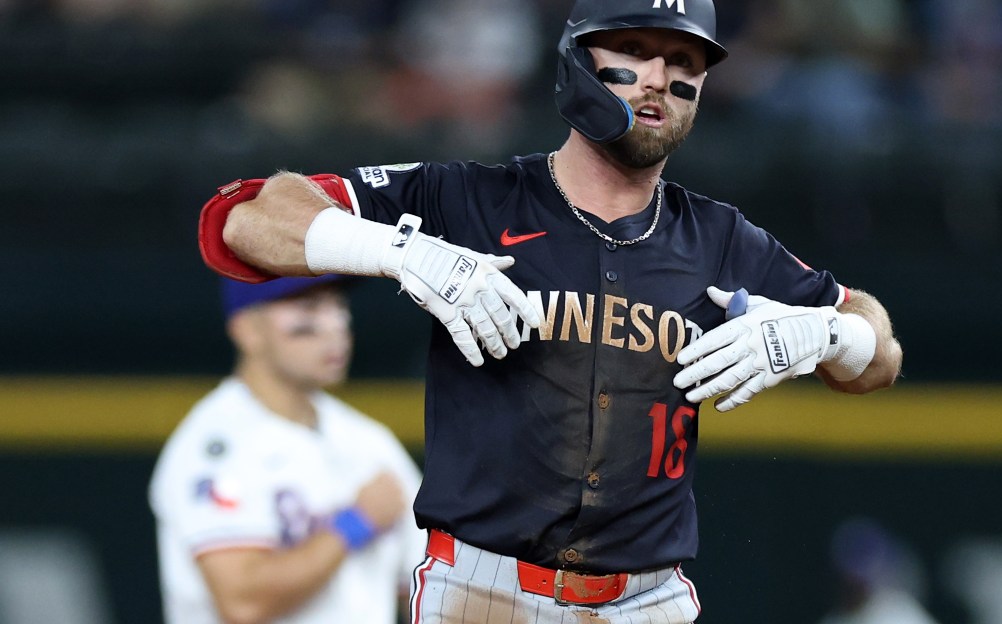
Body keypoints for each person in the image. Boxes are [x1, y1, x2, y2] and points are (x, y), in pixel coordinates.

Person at [196, 0, 903, 621]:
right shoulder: (470, 200)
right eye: (633, 49)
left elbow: (879, 354)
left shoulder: (722, 239)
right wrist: (402, 252)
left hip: (647, 602)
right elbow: (247, 219)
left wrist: (828, 334)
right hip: (482, 593)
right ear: (577, 59)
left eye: (684, 61)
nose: (659, 77)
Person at [148, 275, 426, 624]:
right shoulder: (213, 446)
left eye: (338, 306)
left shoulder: (370, 441)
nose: (335, 325)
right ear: (248, 330)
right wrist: (355, 523)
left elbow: (427, 590)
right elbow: (243, 603)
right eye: (309, 308)